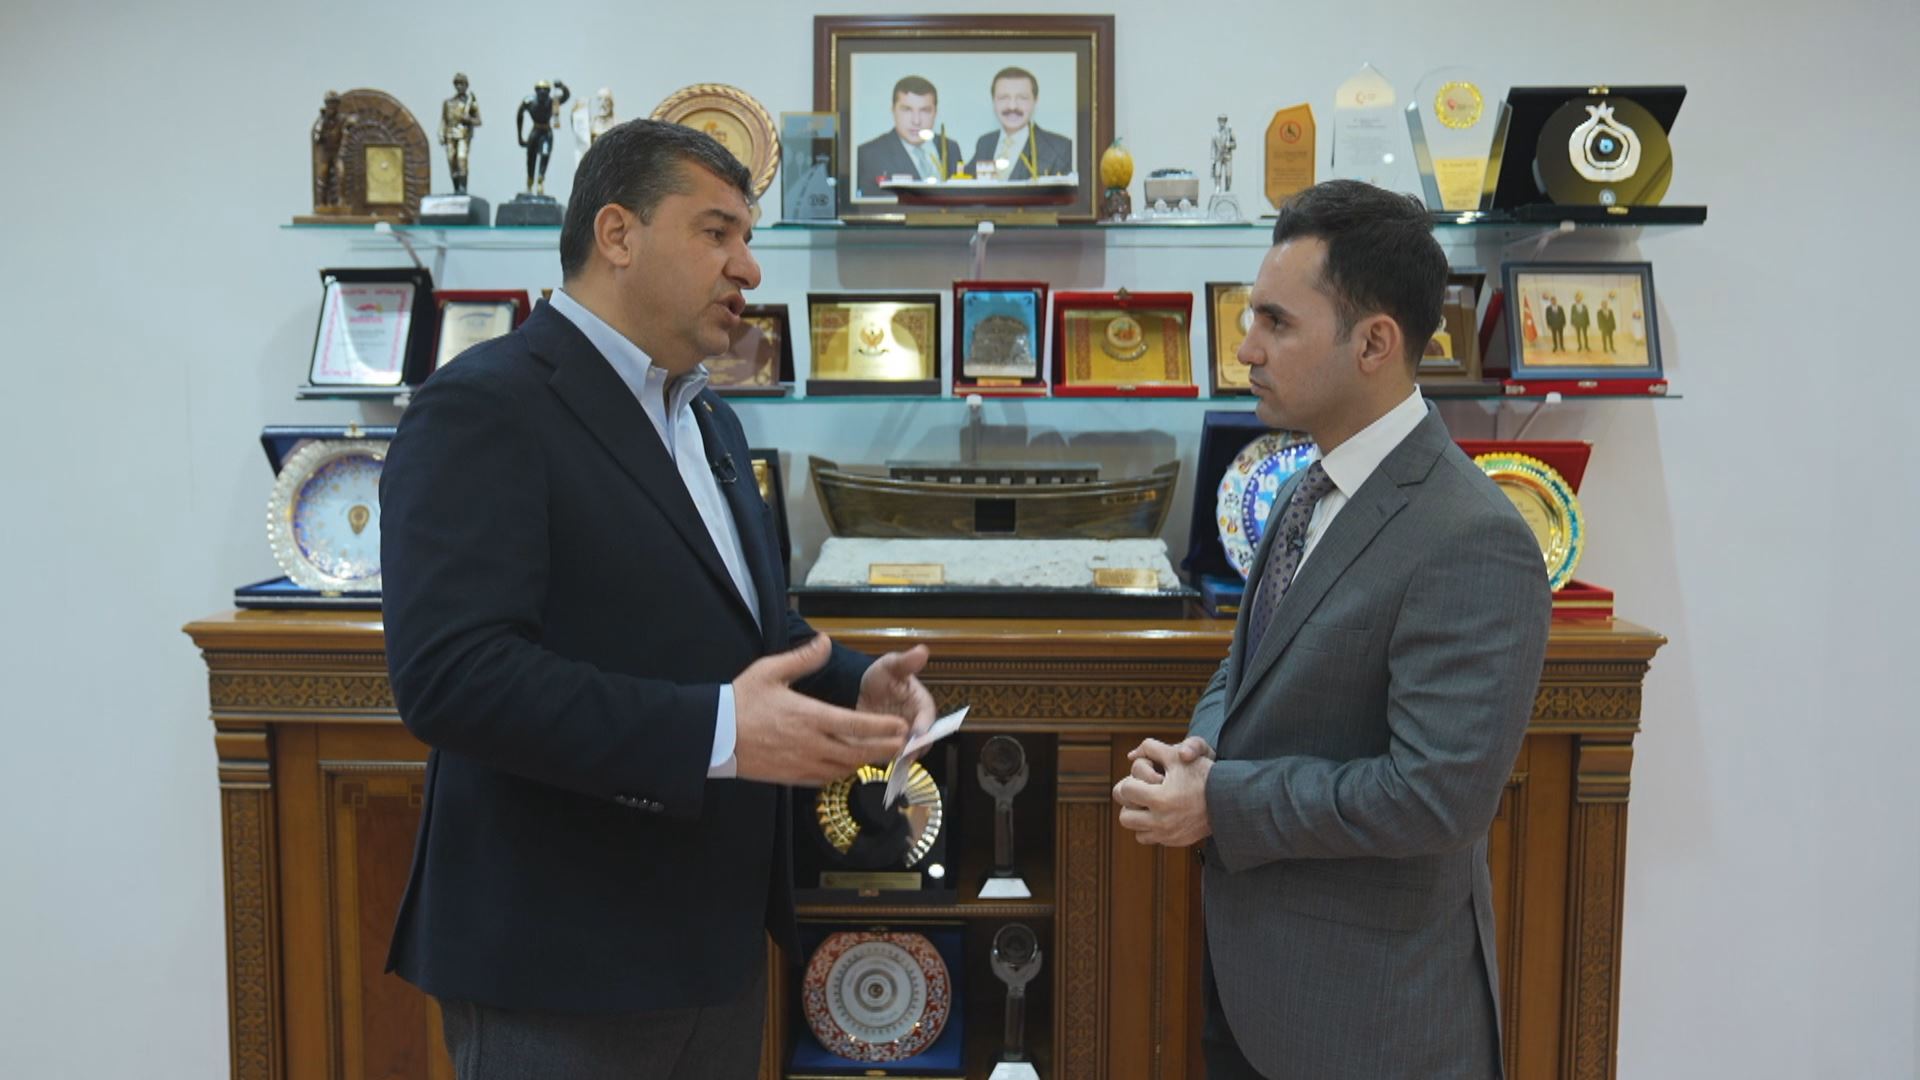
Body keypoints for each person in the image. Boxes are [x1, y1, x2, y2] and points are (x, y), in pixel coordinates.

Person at [380, 118, 937, 1078]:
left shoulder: (707, 415)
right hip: (561, 960)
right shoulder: (484, 406)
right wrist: (718, 732)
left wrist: (855, 682)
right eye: (716, 233)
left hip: (711, 946)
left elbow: (745, 625)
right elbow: (454, 678)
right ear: (618, 234)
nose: (747, 268)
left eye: (747, 237)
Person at [1111, 179, 1551, 1080]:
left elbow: (1436, 796)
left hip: (1372, 1022)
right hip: (1258, 989)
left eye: (1276, 322)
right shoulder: (1305, 485)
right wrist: (1201, 751)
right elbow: (1252, 665)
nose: (1246, 347)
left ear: (1374, 343)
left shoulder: (1473, 536)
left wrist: (1219, 802)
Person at [854, 75, 964, 197]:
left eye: (925, 110)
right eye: (907, 110)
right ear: (893, 110)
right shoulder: (868, 155)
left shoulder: (950, 148)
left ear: (935, 112)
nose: (916, 121)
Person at [971, 66, 1073, 180]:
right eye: (1003, 98)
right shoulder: (985, 143)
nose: (1012, 106)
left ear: (1035, 101)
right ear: (993, 101)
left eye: (1022, 98)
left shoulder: (1060, 148)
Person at [516, 78, 572, 195]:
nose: (542, 92)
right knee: (531, 158)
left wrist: (561, 86)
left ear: (549, 91)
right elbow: (519, 115)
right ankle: (530, 182)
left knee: (545, 155)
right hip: (535, 132)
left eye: (545, 90)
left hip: (546, 133)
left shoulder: (552, 102)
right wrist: (520, 137)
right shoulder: (529, 102)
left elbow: (566, 96)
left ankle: (541, 180)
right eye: (540, 90)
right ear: (536, 91)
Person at [440, 73, 482, 195]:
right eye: (457, 84)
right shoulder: (448, 103)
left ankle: (463, 188)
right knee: (451, 161)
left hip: (463, 135)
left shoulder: (470, 102)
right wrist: (441, 133)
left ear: (466, 85)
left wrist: (468, 119)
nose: (459, 86)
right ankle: (456, 188)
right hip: (449, 135)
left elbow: (478, 121)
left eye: (462, 84)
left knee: (461, 159)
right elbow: (444, 120)